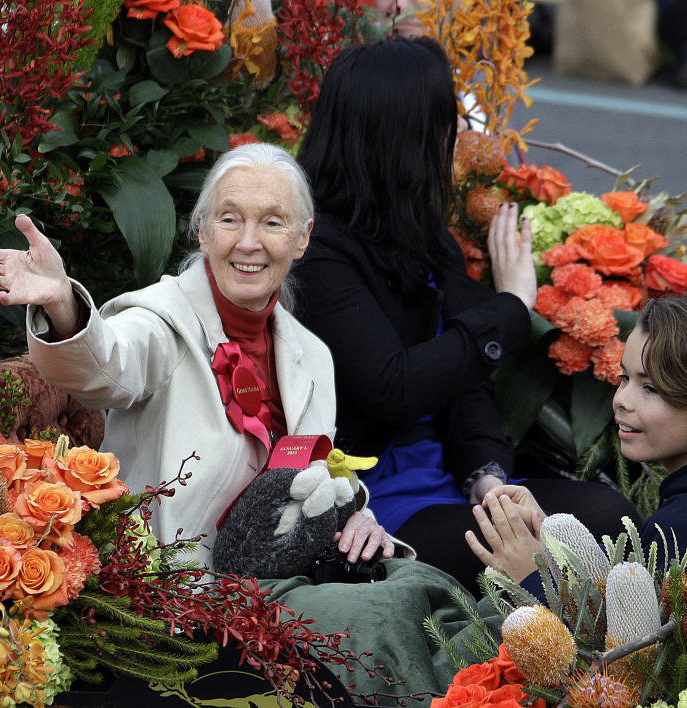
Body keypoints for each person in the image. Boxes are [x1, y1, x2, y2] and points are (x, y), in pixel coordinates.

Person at [293, 38, 640, 592]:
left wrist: (487, 477)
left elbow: (465, 386)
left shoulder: (423, 235)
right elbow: (394, 386)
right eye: (443, 125)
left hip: (452, 485)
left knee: (608, 518)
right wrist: (511, 307)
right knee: (562, 549)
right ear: (404, 137)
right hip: (375, 505)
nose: (453, 143)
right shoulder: (319, 249)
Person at [0, 142, 396, 571]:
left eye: (272, 222)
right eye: (230, 219)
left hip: (295, 577)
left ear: (302, 238)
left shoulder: (313, 354)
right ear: (203, 229)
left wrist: (359, 518)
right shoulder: (161, 320)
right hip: (183, 596)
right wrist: (63, 304)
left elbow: (318, 473)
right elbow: (105, 366)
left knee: (416, 593)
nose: (248, 243)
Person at [470, 295, 687, 579]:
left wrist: (534, 578)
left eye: (650, 388)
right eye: (624, 378)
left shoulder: (676, 525)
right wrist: (550, 532)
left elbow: (633, 622)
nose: (621, 399)